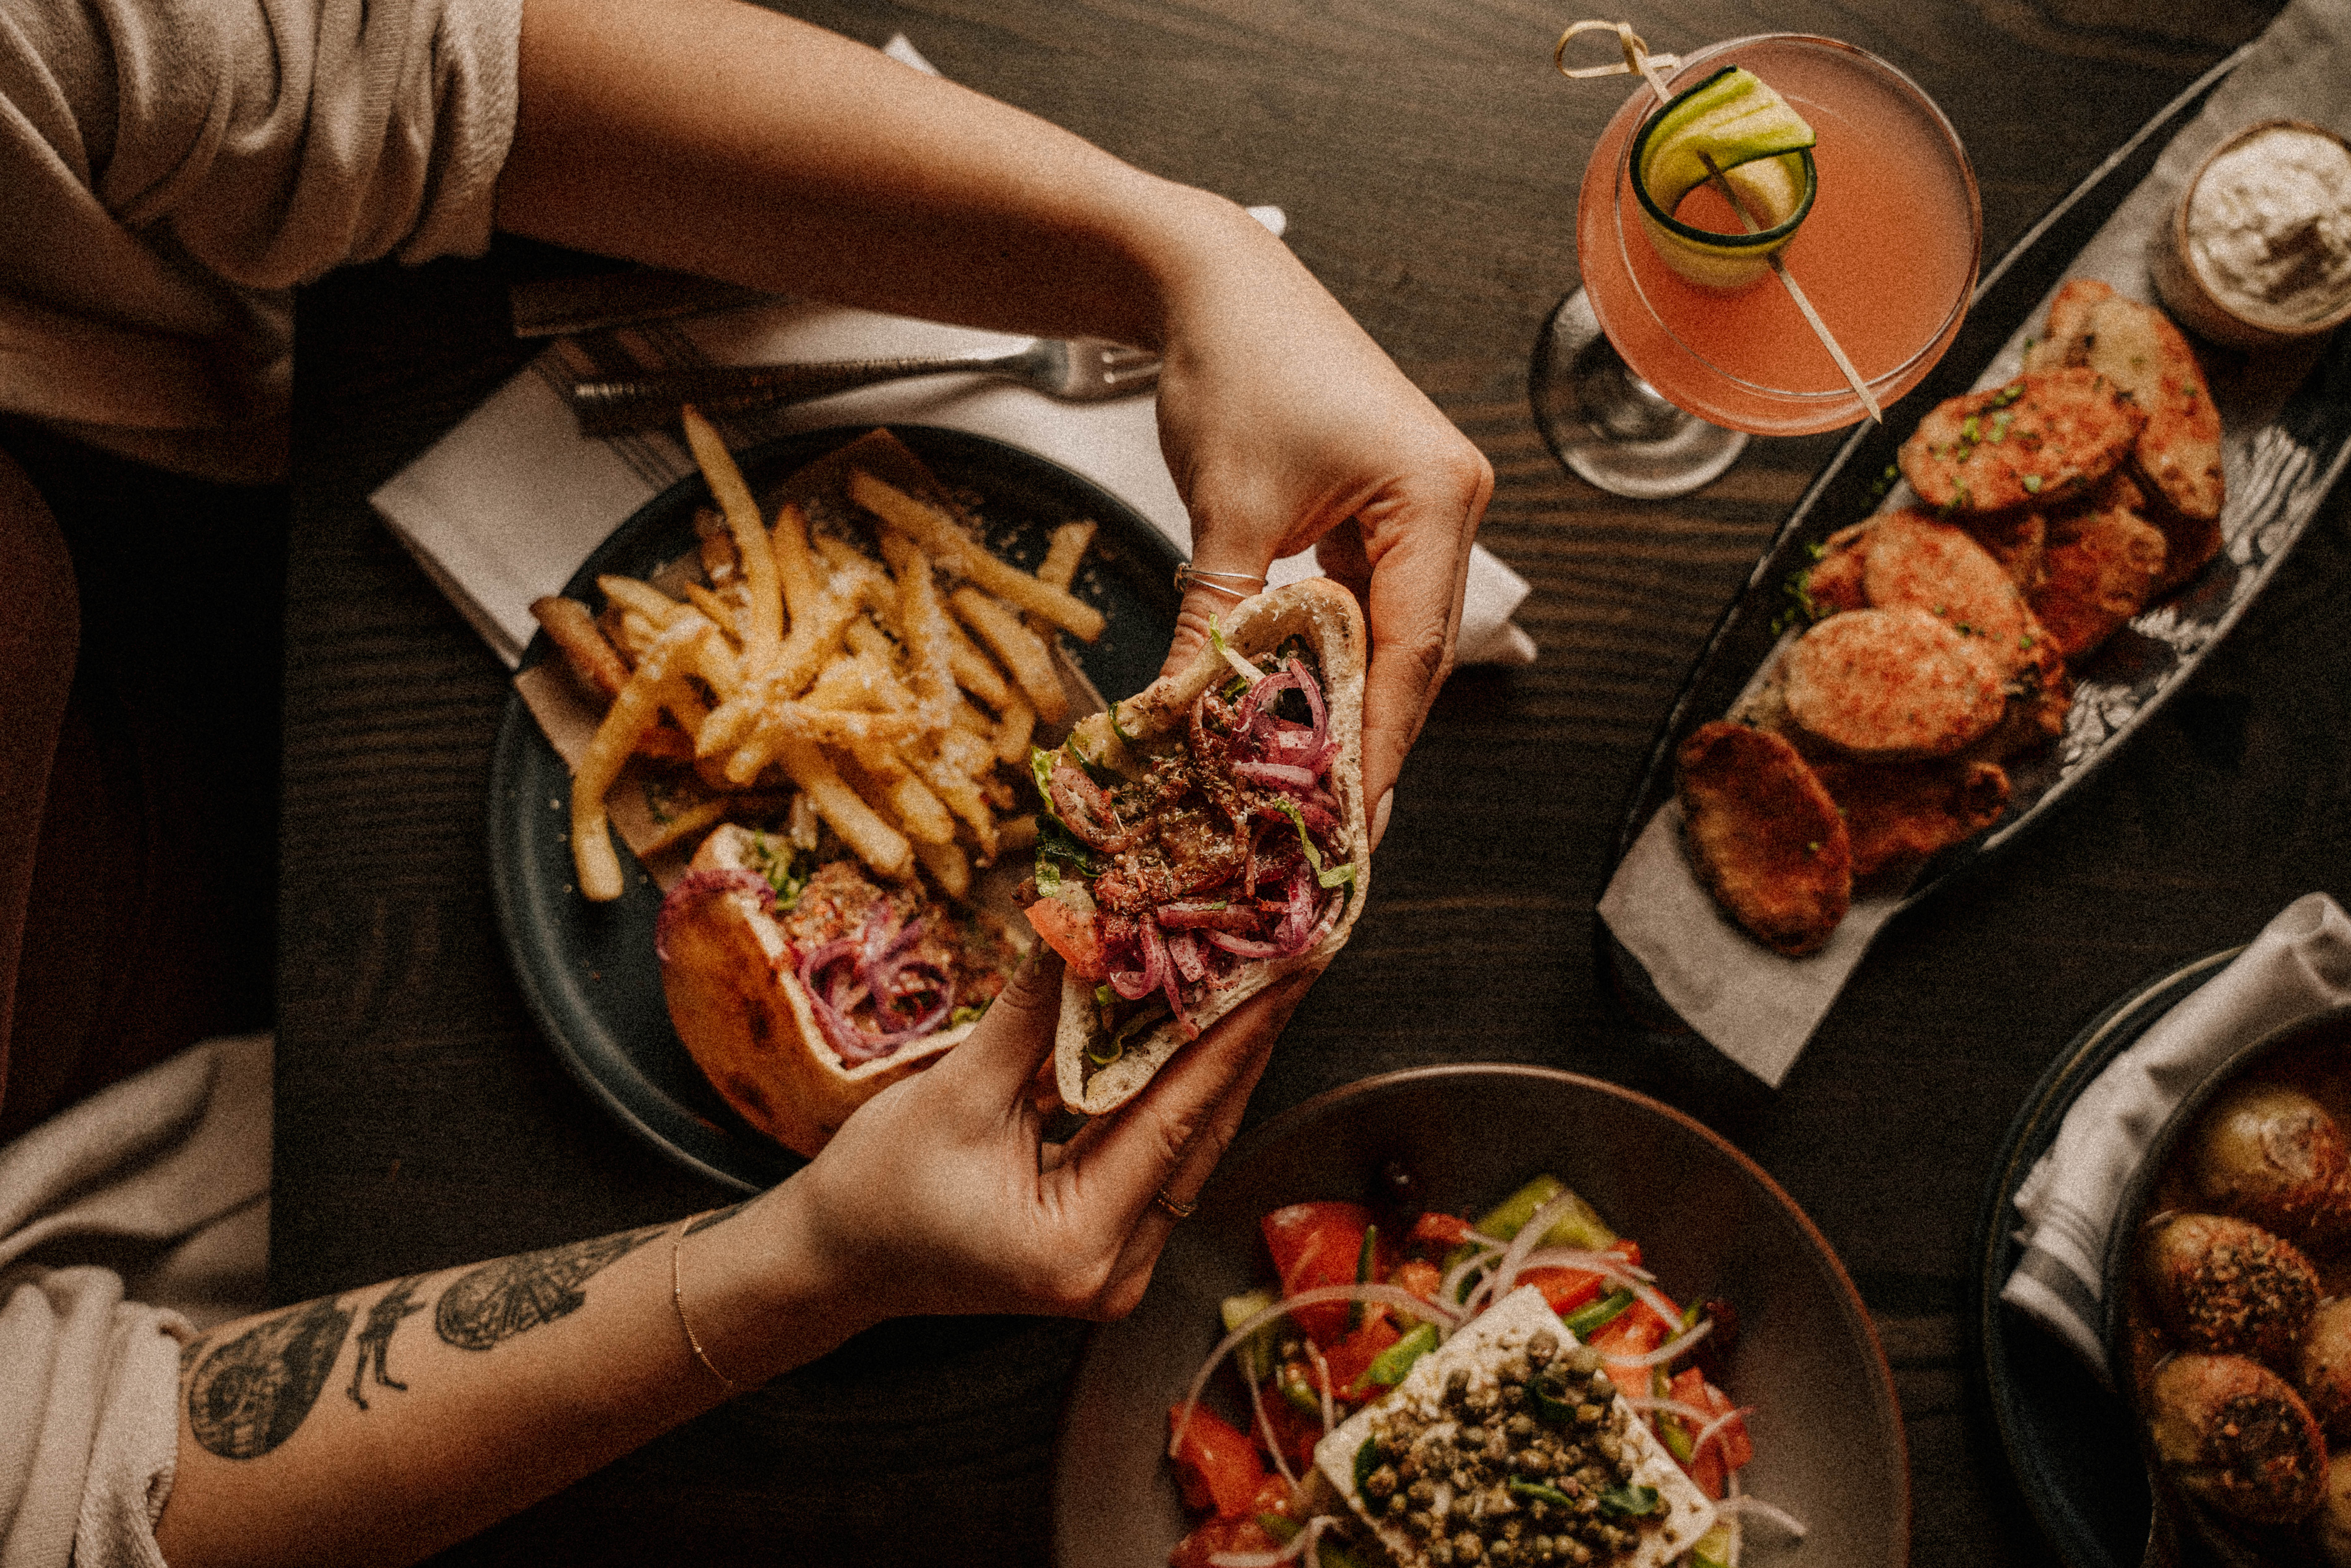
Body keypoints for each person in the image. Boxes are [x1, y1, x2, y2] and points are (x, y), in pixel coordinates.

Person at [0, 0, 1493, 1562]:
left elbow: (374, 55)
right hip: (283, 1255)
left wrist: (1178, 262)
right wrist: (806, 1269)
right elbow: (76, 1504)